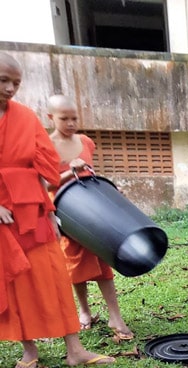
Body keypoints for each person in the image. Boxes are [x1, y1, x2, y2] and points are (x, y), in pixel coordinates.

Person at [0, 53, 114, 368]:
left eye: (16, 83)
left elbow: (44, 162)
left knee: (53, 276)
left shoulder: (23, 116)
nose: (10, 89)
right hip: (2, 215)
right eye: (3, 81)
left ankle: (74, 348)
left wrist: (49, 208)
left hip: (34, 208)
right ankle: (28, 350)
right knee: (15, 279)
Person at [46, 94, 133, 340]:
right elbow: (44, 184)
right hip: (66, 210)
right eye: (65, 119)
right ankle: (84, 311)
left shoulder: (85, 141)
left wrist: (111, 191)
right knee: (75, 264)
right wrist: (67, 174)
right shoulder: (45, 144)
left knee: (103, 259)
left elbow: (91, 172)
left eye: (75, 118)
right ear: (51, 118)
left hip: (94, 209)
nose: (71, 123)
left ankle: (115, 315)